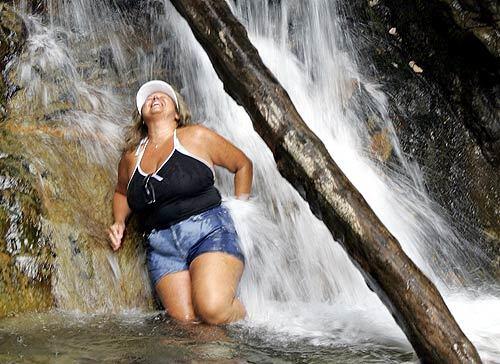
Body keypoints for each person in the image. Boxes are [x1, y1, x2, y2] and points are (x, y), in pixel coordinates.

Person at [108, 80, 253, 324]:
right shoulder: (131, 158)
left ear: (177, 113)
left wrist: (241, 212)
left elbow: (243, 165)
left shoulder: (196, 136)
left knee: (213, 310)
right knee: (188, 324)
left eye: (163, 94)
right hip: (162, 246)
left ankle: (250, 315)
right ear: (142, 117)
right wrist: (119, 221)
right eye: (148, 97)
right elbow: (122, 193)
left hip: (208, 232)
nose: (154, 97)